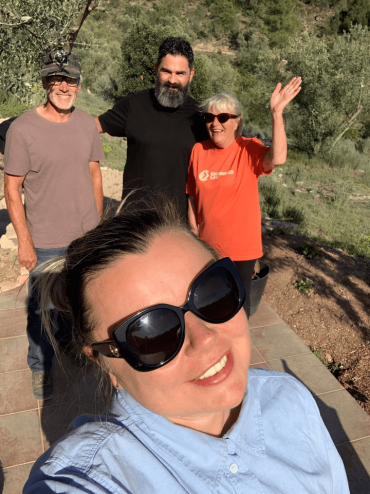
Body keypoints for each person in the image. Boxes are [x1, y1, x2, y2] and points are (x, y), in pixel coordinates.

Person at [23, 198, 349, 493]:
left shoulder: (290, 399)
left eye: (212, 293)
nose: (205, 337)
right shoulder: (92, 477)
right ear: (105, 362)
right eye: (151, 333)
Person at [4, 49, 105, 400]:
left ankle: (75, 352)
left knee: (79, 304)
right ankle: (39, 366)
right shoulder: (22, 129)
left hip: (85, 238)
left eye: (70, 79)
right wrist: (25, 241)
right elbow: (12, 189)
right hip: (45, 239)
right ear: (45, 82)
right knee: (42, 310)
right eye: (56, 79)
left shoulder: (87, 124)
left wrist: (98, 228)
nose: (64, 86)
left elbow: (94, 175)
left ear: (79, 84)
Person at [186, 78, 302, 316]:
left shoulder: (248, 148)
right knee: (208, 307)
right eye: (209, 117)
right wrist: (192, 229)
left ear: (237, 121)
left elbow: (277, 158)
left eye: (223, 117)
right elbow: (192, 194)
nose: (215, 123)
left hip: (241, 250)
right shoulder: (199, 150)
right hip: (207, 247)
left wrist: (276, 113)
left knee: (238, 311)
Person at [95, 37, 208, 217]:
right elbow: (92, 128)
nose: (172, 80)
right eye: (166, 71)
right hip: (133, 223)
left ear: (191, 74)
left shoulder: (201, 116)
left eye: (180, 73)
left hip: (178, 226)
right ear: (156, 69)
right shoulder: (134, 105)